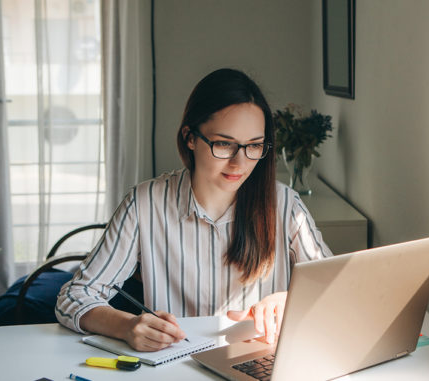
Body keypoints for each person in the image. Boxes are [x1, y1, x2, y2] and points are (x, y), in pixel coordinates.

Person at [56, 68, 331, 351]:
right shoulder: (145, 204)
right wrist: (126, 326)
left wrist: (290, 299)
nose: (239, 163)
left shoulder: (285, 205)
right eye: (224, 144)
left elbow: (336, 287)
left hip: (261, 363)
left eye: (254, 146)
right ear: (190, 137)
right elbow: (75, 296)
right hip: (176, 365)